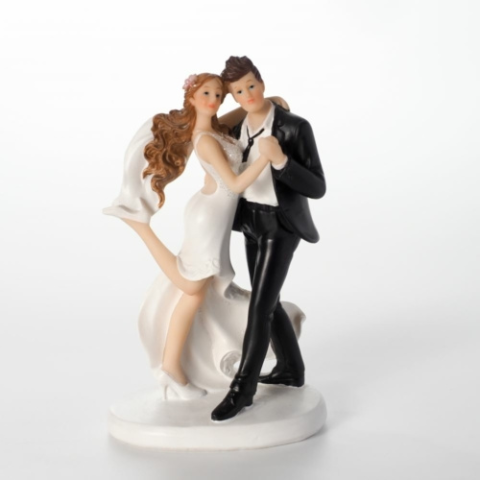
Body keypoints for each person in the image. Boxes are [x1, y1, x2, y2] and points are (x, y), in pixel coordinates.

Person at [103, 73, 305, 401]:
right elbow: (236, 185)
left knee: (197, 293)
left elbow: (241, 114)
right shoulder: (205, 139)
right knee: (192, 285)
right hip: (208, 216)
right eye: (206, 94)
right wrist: (266, 158)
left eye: (218, 95)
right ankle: (140, 227)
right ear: (192, 97)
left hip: (217, 215)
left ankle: (172, 368)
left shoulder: (216, 128)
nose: (213, 100)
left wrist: (270, 103)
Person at [211, 57, 327, 421]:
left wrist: (281, 162)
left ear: (261, 82)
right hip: (250, 222)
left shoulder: (295, 127)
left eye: (251, 85)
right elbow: (211, 128)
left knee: (259, 308)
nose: (248, 94)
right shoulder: (237, 128)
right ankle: (291, 369)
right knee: (269, 301)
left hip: (281, 225)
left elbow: (318, 187)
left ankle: (242, 390)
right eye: (238, 91)